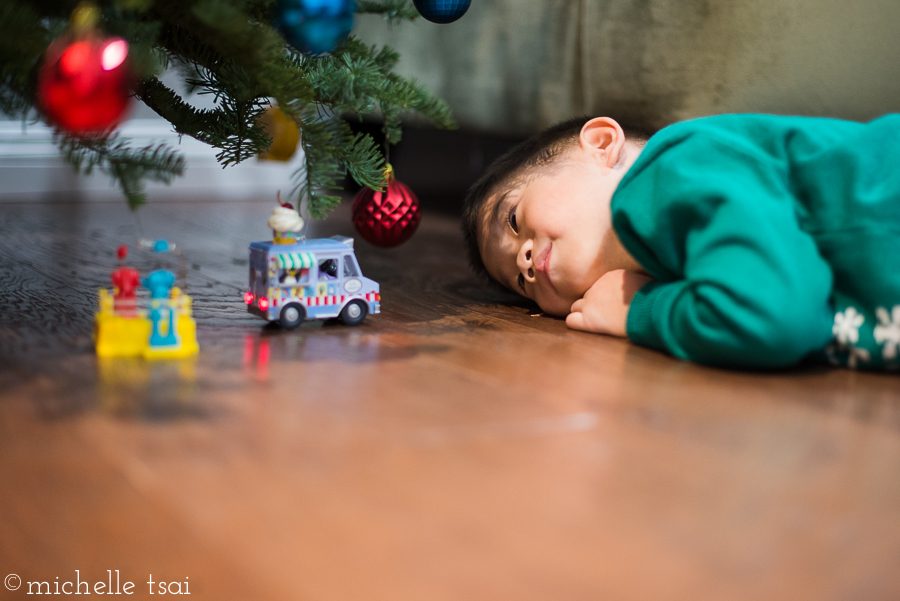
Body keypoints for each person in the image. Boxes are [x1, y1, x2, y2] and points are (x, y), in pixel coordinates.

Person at [462, 114, 900, 370]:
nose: (522, 260)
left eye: (514, 218)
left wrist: (640, 310)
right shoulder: (676, 245)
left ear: (599, 144)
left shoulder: (674, 169)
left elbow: (775, 317)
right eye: (521, 284)